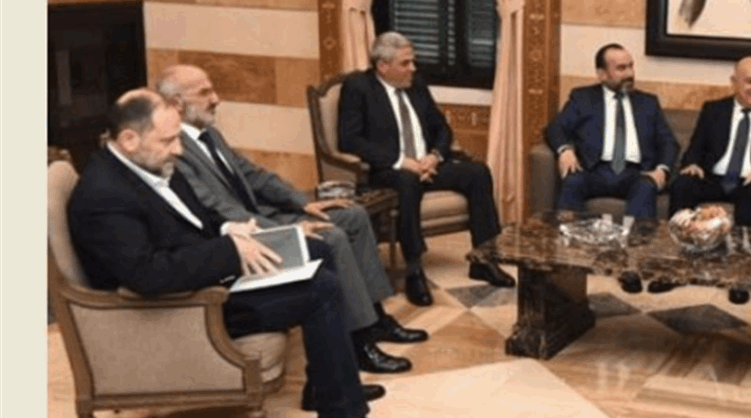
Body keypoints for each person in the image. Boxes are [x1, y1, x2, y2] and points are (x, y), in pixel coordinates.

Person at [67, 89, 383, 418]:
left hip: (203, 278)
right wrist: (230, 250)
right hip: (181, 310)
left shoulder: (148, 164)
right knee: (321, 290)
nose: (178, 150)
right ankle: (343, 410)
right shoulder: (104, 196)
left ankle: (324, 388)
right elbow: (149, 274)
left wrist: (230, 229)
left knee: (315, 249)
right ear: (129, 140)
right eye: (168, 141)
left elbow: (197, 217)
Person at [158, 64, 427, 375]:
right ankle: (359, 341)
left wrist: (304, 203)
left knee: (353, 215)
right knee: (332, 237)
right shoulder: (172, 149)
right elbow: (216, 209)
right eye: (205, 93)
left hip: (266, 214)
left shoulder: (209, 135)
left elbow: (254, 175)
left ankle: (376, 318)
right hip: (248, 235)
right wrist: (287, 229)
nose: (216, 99)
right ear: (176, 103)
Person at [338, 32, 514, 307]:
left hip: (427, 165)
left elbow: (441, 127)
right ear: (383, 66)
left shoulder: (416, 83)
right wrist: (400, 161)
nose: (413, 68)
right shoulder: (358, 87)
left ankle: (484, 260)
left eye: (413, 61)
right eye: (405, 63)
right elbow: (349, 139)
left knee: (478, 172)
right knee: (407, 182)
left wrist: (434, 156)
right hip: (388, 170)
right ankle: (414, 269)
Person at [546, 42, 681, 294]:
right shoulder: (582, 98)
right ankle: (567, 261)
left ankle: (630, 267)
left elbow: (668, 142)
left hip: (635, 172)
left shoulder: (648, 102)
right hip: (594, 171)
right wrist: (565, 150)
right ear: (601, 74)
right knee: (572, 181)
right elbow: (556, 128)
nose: (629, 73)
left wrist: (662, 169)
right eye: (621, 68)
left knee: (646, 187)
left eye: (630, 66)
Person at [663, 55, 751, 304]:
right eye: (750, 81)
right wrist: (692, 164)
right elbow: (695, 147)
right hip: (715, 178)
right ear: (734, 82)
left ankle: (741, 277)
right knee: (683, 184)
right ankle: (677, 268)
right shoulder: (714, 110)